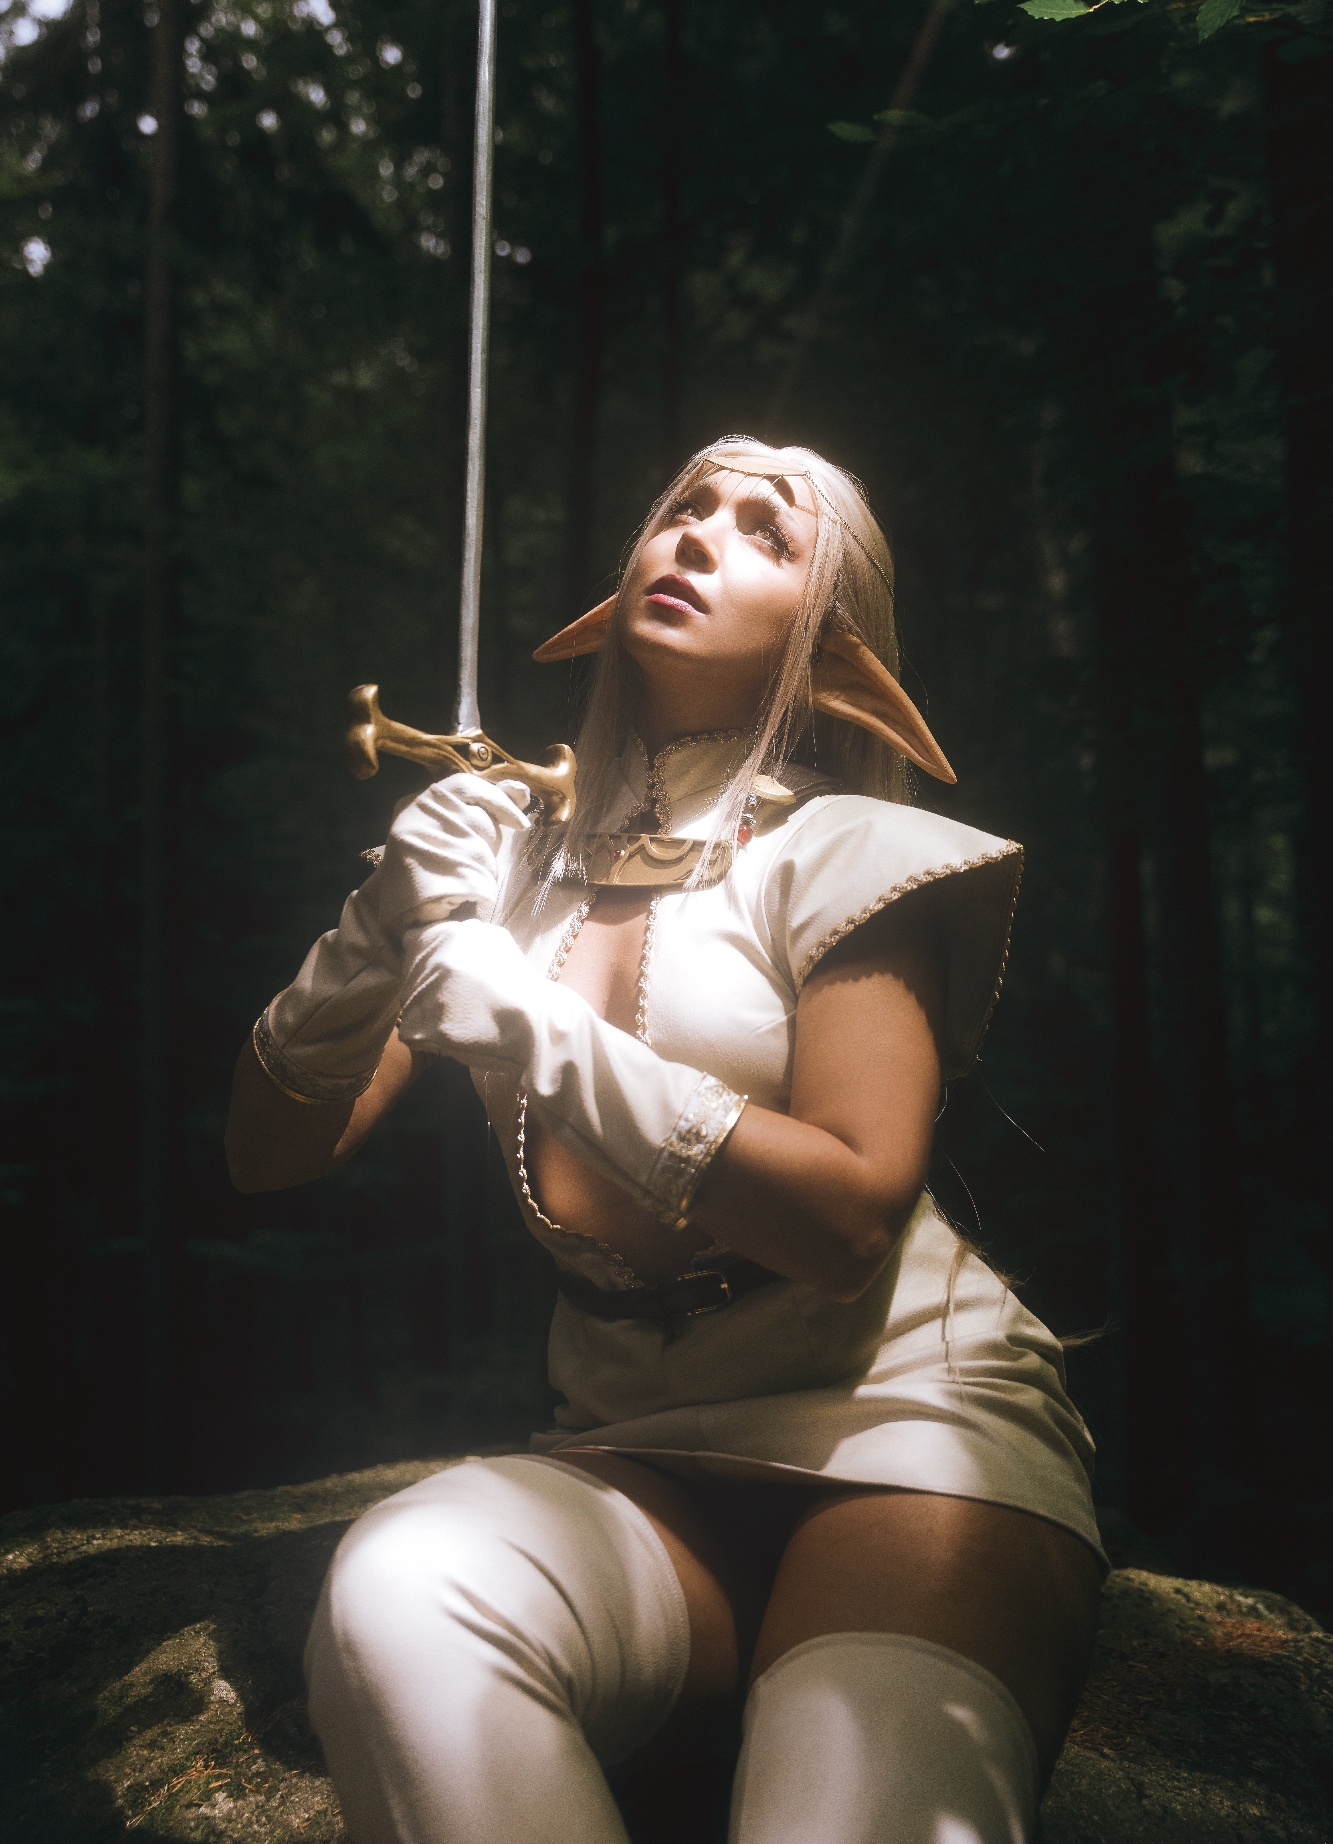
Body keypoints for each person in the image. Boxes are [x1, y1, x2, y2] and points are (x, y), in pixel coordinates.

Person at [225, 437, 1105, 1844]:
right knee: (402, 1589)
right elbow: (270, 1153)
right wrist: (377, 929)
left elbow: (846, 1222)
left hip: (904, 1428)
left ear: (826, 652)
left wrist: (540, 1031)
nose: (699, 534)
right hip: (633, 1448)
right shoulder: (508, 870)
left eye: (765, 531)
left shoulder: (848, 852)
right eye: (684, 506)